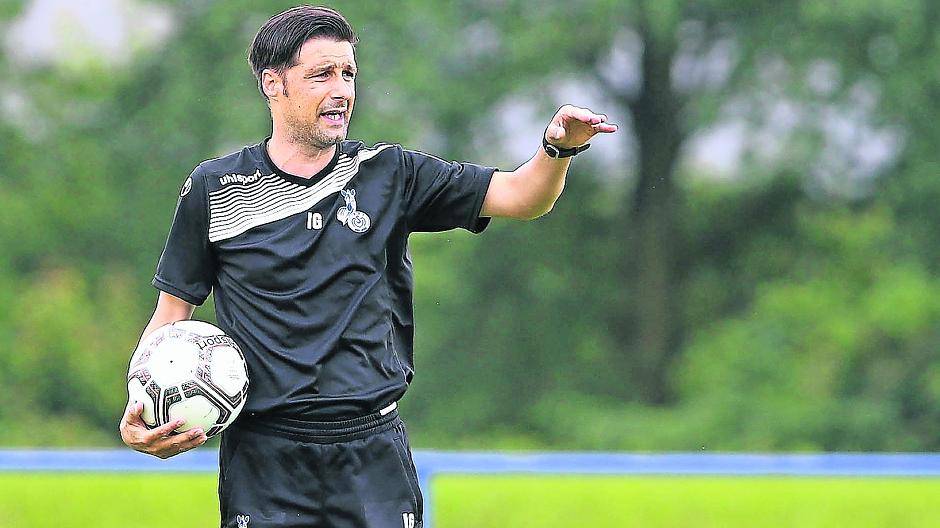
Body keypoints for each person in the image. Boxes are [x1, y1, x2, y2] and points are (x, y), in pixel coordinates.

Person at [119, 4, 616, 528]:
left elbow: (521, 196)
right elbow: (171, 315)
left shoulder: (388, 174)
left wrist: (556, 149)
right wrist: (139, 412)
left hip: (371, 456)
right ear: (274, 84)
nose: (342, 90)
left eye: (349, 74)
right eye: (322, 75)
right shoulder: (215, 189)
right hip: (265, 460)